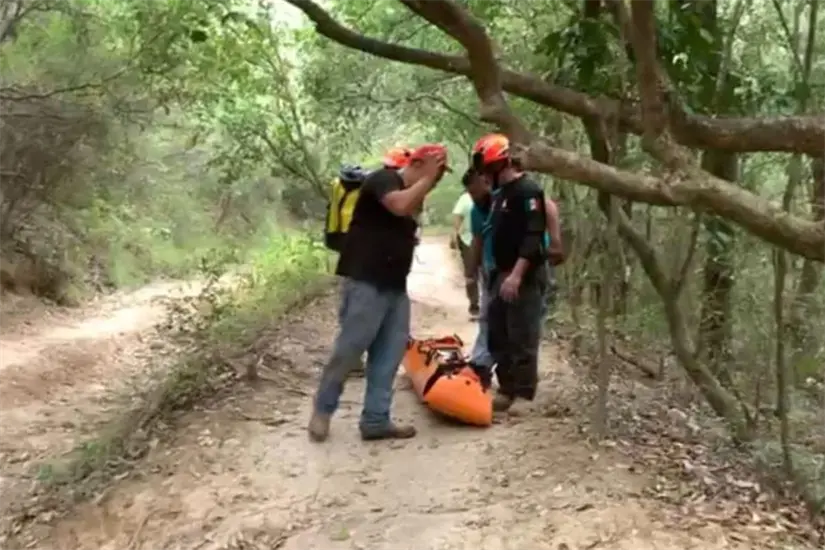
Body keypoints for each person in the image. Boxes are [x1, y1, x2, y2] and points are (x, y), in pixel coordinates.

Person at [308, 144, 450, 442]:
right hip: (366, 283)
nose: (436, 181)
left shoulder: (414, 200)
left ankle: (375, 419)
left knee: (388, 356)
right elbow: (397, 205)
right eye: (435, 173)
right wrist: (426, 181)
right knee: (349, 351)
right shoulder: (383, 180)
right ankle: (323, 410)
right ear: (419, 163)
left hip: (395, 288)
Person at [470, 133, 549, 413]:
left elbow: (533, 234)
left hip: (523, 274)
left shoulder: (527, 190)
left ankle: (525, 394)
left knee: (522, 334)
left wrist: (516, 274)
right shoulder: (498, 194)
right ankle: (507, 387)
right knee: (498, 333)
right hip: (499, 273)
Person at [450, 190, 480, 318]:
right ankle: (474, 305)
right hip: (467, 239)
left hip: (487, 239)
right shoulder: (465, 198)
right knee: (471, 273)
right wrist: (454, 235)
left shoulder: (493, 194)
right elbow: (457, 216)